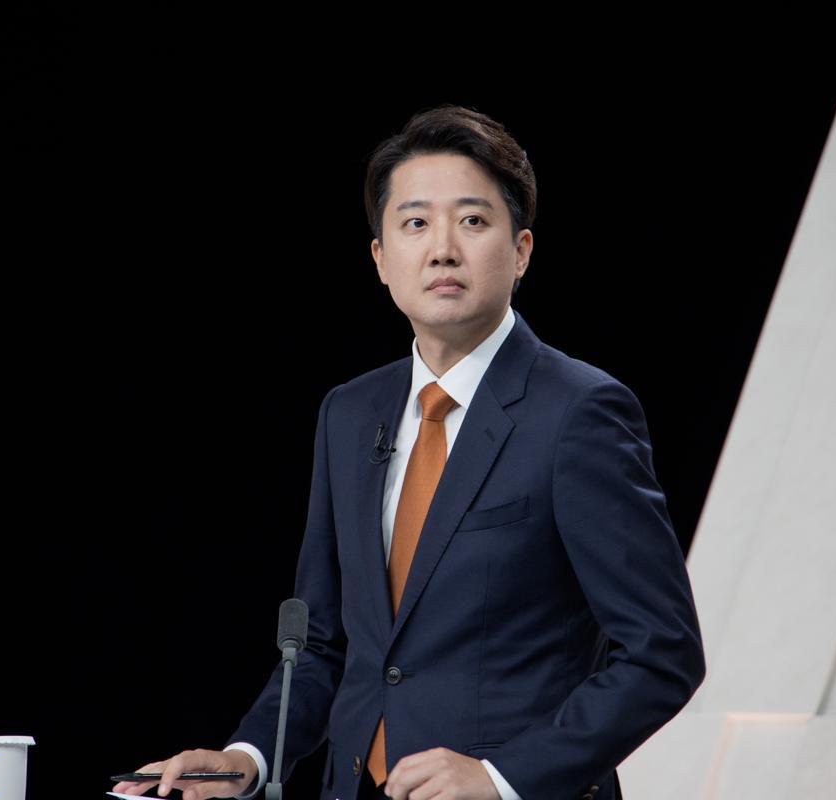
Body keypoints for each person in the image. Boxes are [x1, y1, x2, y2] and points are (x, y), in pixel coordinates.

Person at [113, 104, 705, 800]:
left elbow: (663, 653)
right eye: (415, 223)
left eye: (473, 221)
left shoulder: (580, 411)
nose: (443, 249)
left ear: (521, 251)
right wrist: (249, 757)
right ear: (380, 259)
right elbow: (325, 644)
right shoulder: (349, 412)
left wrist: (502, 777)